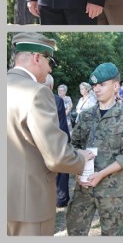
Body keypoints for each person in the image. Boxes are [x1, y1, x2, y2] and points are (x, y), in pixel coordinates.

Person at [7, 33, 91, 235]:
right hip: (29, 205)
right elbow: (57, 157)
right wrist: (81, 159)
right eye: (49, 61)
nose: (50, 68)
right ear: (37, 57)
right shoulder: (38, 92)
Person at [66, 63, 123, 236]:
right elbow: (72, 146)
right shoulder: (86, 116)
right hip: (83, 187)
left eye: (102, 85)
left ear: (115, 86)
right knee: (75, 231)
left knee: (110, 233)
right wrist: (77, 172)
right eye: (94, 86)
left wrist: (101, 174)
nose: (96, 89)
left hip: (111, 190)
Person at [45, 74, 72, 208]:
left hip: (38, 143)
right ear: (51, 86)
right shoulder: (57, 100)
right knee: (62, 169)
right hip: (56, 141)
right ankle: (61, 199)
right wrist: (67, 141)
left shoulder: (29, 98)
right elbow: (62, 124)